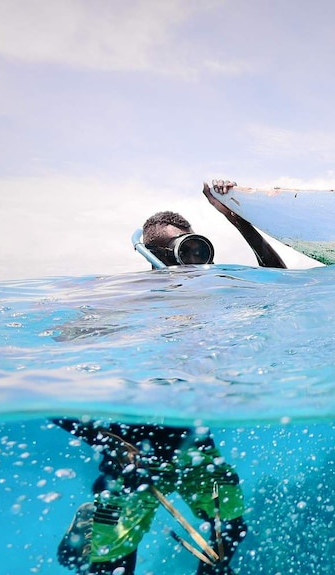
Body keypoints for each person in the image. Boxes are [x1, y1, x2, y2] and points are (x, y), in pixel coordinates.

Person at [55, 212, 247, 575]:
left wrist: (244, 226)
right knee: (109, 565)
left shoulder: (212, 301)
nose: (191, 261)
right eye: (181, 251)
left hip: (193, 452)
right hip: (130, 463)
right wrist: (110, 444)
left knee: (231, 529)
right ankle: (89, 529)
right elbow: (48, 382)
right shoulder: (119, 298)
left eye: (196, 248)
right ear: (154, 254)